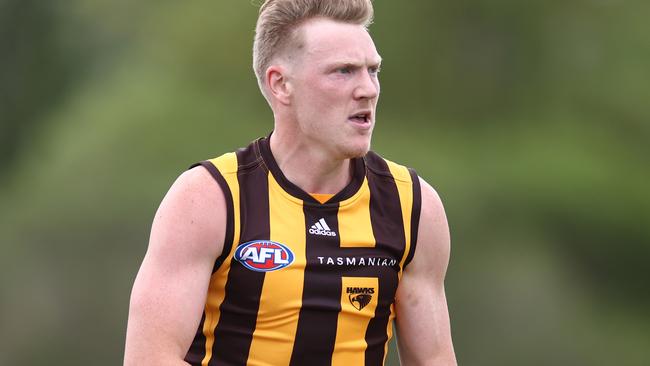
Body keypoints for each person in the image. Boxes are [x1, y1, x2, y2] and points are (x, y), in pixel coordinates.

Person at [124, 0, 457, 365]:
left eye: (372, 70)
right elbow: (149, 358)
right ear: (281, 84)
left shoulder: (412, 205)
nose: (368, 89)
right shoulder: (208, 198)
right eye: (343, 71)